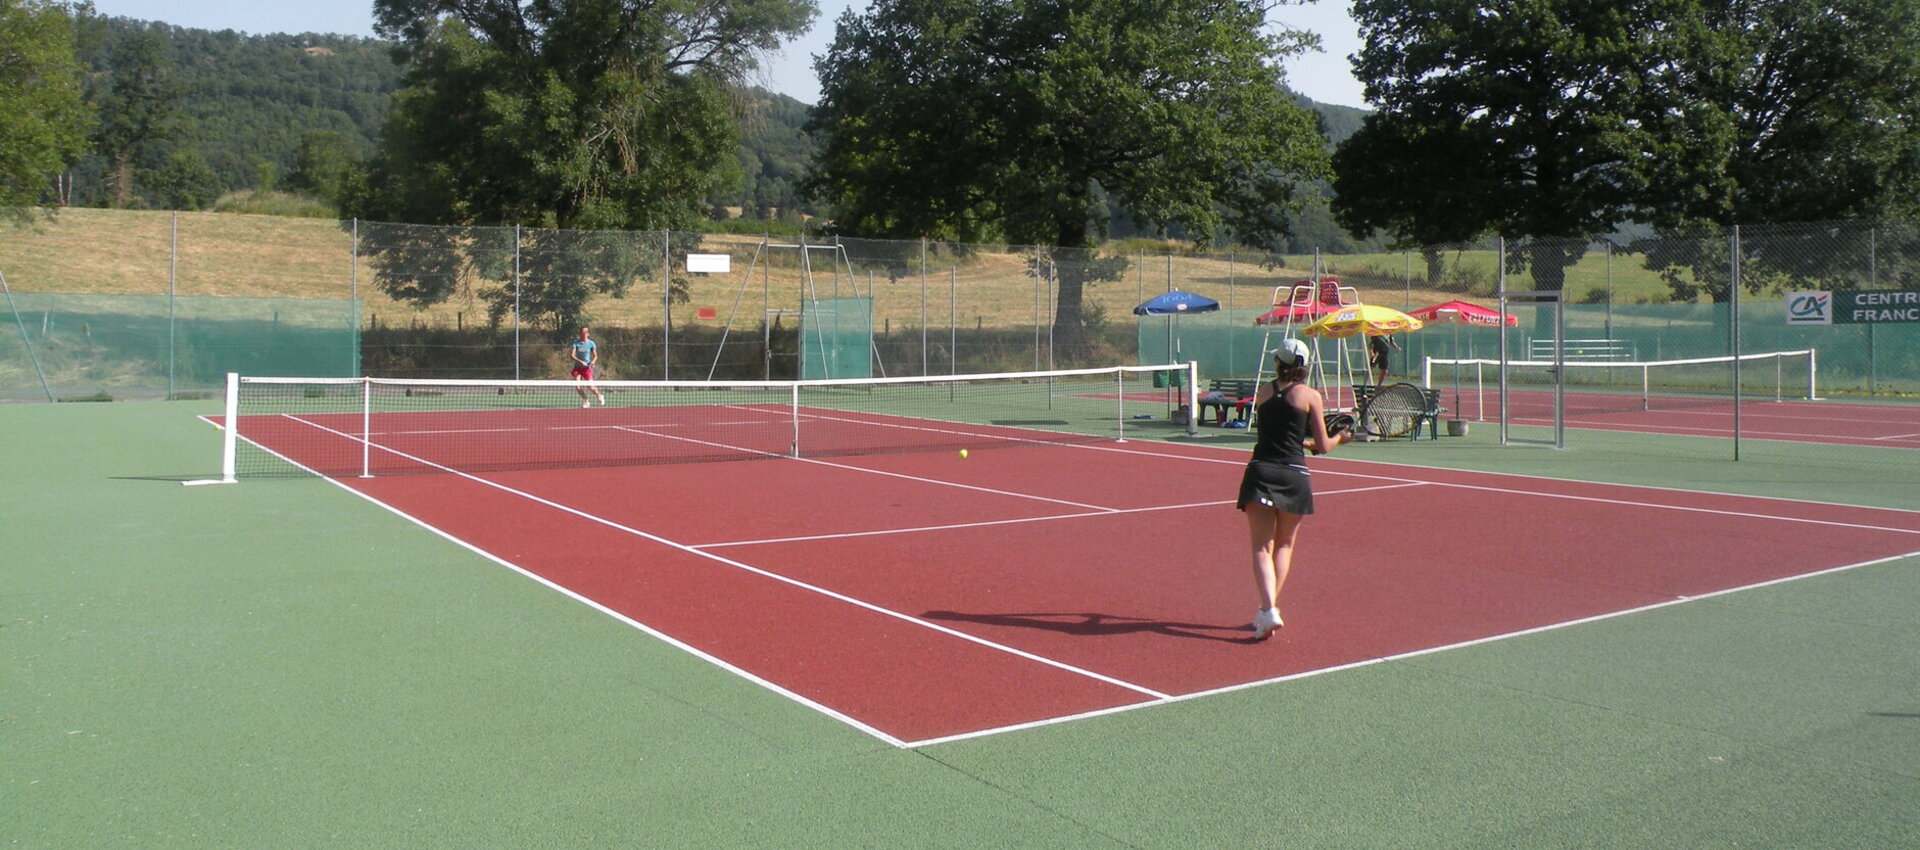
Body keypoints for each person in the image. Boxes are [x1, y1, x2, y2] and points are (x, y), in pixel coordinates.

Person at [1237, 338, 1352, 640]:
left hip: (1262, 469)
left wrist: (1311, 442)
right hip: (1294, 475)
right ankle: (1267, 609)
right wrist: (1342, 437)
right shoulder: (1310, 395)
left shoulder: (1263, 392)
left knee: (1262, 547)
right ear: (1304, 366)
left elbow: (1278, 432)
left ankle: (1268, 609)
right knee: (1284, 545)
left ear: (1279, 363)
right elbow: (1324, 445)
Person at [569, 326, 606, 407]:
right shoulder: (576, 343)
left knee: (591, 387)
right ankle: (586, 401)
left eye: (585, 333)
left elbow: (596, 356)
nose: (583, 334)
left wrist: (592, 362)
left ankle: (599, 395)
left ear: (588, 334)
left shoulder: (591, 343)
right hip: (577, 368)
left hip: (587, 368)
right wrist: (580, 361)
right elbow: (571, 356)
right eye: (582, 333)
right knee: (578, 387)